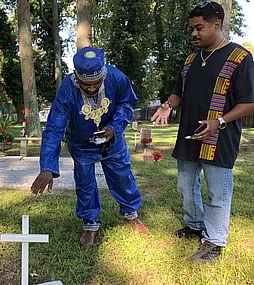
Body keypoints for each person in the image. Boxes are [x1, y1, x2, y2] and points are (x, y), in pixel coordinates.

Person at [30, 47, 147, 248]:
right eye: (86, 85)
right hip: (81, 143)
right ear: (77, 78)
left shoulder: (117, 77)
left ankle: (132, 216)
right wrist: (47, 167)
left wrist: (114, 127)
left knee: (122, 177)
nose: (91, 89)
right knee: (85, 183)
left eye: (96, 84)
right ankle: (90, 224)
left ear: (103, 75)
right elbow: (54, 128)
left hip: (112, 140)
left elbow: (127, 103)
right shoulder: (68, 87)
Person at [168, 1, 254, 263]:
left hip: (219, 137)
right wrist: (166, 106)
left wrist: (220, 121)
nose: (194, 33)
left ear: (217, 25)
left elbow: (249, 101)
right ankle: (194, 225)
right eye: (192, 28)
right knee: (186, 185)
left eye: (200, 27)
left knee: (218, 191)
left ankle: (215, 241)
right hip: (189, 134)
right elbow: (177, 93)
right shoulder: (191, 60)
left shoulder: (240, 57)